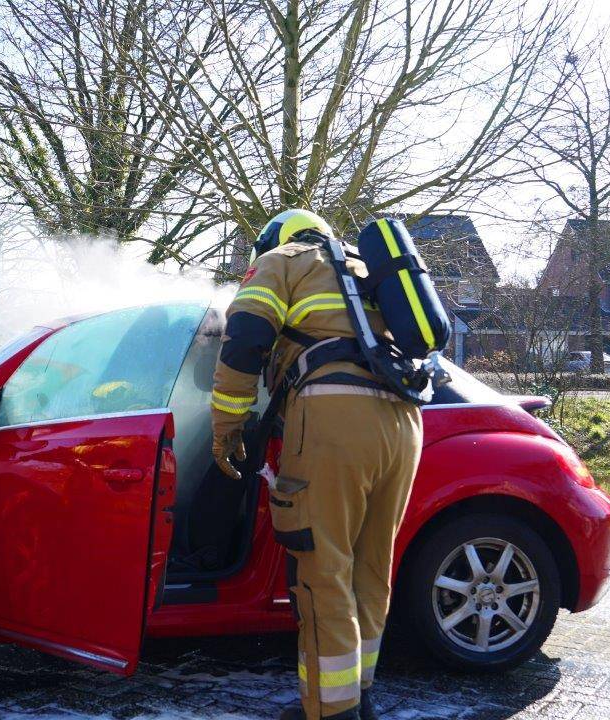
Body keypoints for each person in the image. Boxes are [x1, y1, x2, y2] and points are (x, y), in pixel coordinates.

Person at [210, 209, 423, 720]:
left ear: (274, 240)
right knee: (371, 568)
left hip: (333, 417)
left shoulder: (284, 260)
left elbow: (244, 338)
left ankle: (331, 712)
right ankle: (358, 695)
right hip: (405, 422)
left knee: (322, 571)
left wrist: (226, 427)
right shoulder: (366, 270)